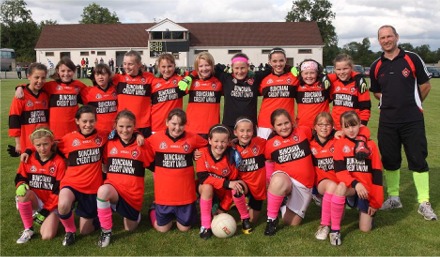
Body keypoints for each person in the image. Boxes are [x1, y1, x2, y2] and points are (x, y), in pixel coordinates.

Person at [369, 25, 437, 220]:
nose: (386, 40)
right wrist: (391, 102)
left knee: (417, 159)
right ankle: (393, 197)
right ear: (379, 40)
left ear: (396, 37)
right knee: (390, 160)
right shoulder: (376, 65)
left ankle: (424, 201)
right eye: (382, 37)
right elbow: (376, 91)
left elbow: (425, 85)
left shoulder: (412, 58)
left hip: (412, 120)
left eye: (389, 36)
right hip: (387, 121)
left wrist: (413, 103)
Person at [97, 110, 152, 247]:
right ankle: (106, 231)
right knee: (103, 191)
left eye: (128, 126)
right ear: (115, 126)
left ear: (135, 127)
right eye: (121, 126)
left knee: (130, 228)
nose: (125, 130)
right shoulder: (109, 143)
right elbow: (104, 166)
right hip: (114, 189)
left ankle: (132, 212)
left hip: (132, 195)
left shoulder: (142, 146)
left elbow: (156, 166)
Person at [147, 108, 207, 233]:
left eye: (181, 124)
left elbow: (207, 145)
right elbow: (141, 149)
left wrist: (198, 151)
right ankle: (153, 208)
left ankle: (191, 207)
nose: (177, 128)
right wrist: (137, 135)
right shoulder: (155, 138)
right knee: (162, 229)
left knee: (184, 228)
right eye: (174, 124)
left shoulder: (193, 138)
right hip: (164, 196)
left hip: (185, 195)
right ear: (167, 122)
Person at [56, 105, 108, 246]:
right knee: (63, 205)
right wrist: (28, 151)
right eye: (84, 121)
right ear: (77, 121)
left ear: (96, 121)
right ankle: (69, 231)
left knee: (86, 231)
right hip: (71, 184)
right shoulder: (68, 139)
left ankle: (96, 217)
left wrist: (138, 133)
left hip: (92, 188)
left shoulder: (103, 136)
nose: (88, 125)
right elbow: (46, 146)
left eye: (91, 121)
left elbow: (124, 130)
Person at [332, 111, 383, 245]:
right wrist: (355, 183)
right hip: (352, 188)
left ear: (360, 124)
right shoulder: (339, 144)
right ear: (341, 128)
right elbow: (340, 171)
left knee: (365, 229)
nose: (351, 130)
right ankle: (335, 231)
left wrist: (375, 202)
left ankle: (367, 212)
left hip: (366, 191)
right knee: (341, 186)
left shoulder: (371, 145)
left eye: (354, 125)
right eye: (347, 127)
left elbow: (378, 175)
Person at [196, 124, 253, 239]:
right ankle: (205, 226)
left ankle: (245, 219)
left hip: (224, 192)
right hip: (208, 190)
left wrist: (223, 208)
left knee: (237, 187)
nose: (219, 145)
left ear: (228, 142)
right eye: (216, 141)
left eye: (223, 141)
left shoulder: (231, 158)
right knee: (207, 186)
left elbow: (231, 185)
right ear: (209, 140)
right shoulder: (202, 153)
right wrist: (226, 183)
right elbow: (203, 178)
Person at [263, 108, 315, 236]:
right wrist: (270, 183)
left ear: (292, 122)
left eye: (286, 123)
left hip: (304, 185)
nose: (284, 127)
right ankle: (271, 219)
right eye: (279, 125)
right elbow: (269, 162)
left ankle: (283, 202)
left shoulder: (303, 131)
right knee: (278, 181)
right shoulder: (270, 144)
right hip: (285, 179)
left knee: (292, 222)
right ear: (273, 127)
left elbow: (321, 135)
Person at [15, 57, 87, 141]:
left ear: (74, 71)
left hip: (74, 130)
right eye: (63, 71)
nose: (66, 74)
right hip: (54, 132)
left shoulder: (79, 85)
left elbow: (91, 94)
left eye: (69, 70)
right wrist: (20, 87)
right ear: (57, 71)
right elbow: (33, 86)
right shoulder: (50, 86)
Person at [14, 127, 66, 243]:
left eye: (46, 144)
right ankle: (28, 229)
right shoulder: (28, 158)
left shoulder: (59, 162)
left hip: (52, 204)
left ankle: (53, 217)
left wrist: (46, 210)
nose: (42, 148)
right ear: (33, 145)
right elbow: (20, 177)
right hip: (35, 199)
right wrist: (21, 184)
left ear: (52, 142)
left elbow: (58, 191)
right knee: (23, 194)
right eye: (38, 145)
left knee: (47, 236)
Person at [309, 112, 340, 243]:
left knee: (338, 215)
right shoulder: (310, 145)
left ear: (332, 126)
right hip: (322, 183)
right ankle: (324, 225)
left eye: (327, 124)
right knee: (331, 186)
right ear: (315, 127)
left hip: (339, 183)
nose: (324, 127)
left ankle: (330, 216)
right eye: (320, 124)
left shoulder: (337, 141)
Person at [9, 63, 49, 156]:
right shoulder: (21, 96)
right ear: (29, 77)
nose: (40, 81)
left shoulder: (46, 94)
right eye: (36, 77)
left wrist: (20, 86)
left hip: (44, 143)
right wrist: (18, 143)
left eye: (43, 78)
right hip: (27, 142)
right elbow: (14, 120)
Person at [257, 48, 298, 139]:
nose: (278, 64)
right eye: (274, 61)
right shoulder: (264, 79)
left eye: (281, 60)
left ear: (285, 60)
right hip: (265, 124)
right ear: (269, 62)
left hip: (286, 124)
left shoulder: (294, 77)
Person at [179, 52, 222, 138]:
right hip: (191, 129)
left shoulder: (219, 82)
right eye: (201, 66)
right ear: (196, 68)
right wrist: (190, 76)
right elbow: (177, 92)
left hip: (211, 130)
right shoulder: (191, 81)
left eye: (207, 65)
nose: (204, 68)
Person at [112, 50, 154, 138]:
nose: (126, 67)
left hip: (143, 125)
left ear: (139, 64)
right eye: (124, 64)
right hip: (124, 126)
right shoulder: (118, 79)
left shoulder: (149, 78)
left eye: (130, 64)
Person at [232, 117, 266, 222]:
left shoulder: (261, 143)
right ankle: (237, 206)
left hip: (258, 188)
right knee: (236, 189)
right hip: (243, 184)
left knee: (253, 220)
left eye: (249, 130)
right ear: (235, 132)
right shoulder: (231, 147)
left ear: (253, 131)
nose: (245, 134)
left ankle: (246, 206)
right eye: (241, 131)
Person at [329, 54, 371, 130]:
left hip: (352, 128)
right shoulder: (333, 84)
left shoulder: (359, 84)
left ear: (351, 68)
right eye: (338, 69)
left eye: (345, 69)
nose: (342, 72)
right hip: (336, 128)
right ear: (334, 69)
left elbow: (365, 108)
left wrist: (362, 126)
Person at [150, 53, 185, 134]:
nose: (167, 70)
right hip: (156, 125)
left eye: (169, 66)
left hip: (175, 126)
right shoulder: (153, 82)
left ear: (174, 66)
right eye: (163, 67)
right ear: (158, 67)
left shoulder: (180, 80)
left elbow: (195, 74)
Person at [81, 63, 118, 134]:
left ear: (109, 75)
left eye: (103, 74)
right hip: (97, 132)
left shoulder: (116, 89)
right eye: (97, 75)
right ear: (94, 76)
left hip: (115, 131)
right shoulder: (88, 91)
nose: (100, 77)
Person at [294, 59, 331, 129]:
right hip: (303, 126)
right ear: (301, 74)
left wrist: (325, 76)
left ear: (317, 73)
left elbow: (339, 74)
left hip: (322, 127)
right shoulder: (298, 85)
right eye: (306, 73)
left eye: (312, 73)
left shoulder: (323, 85)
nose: (309, 76)